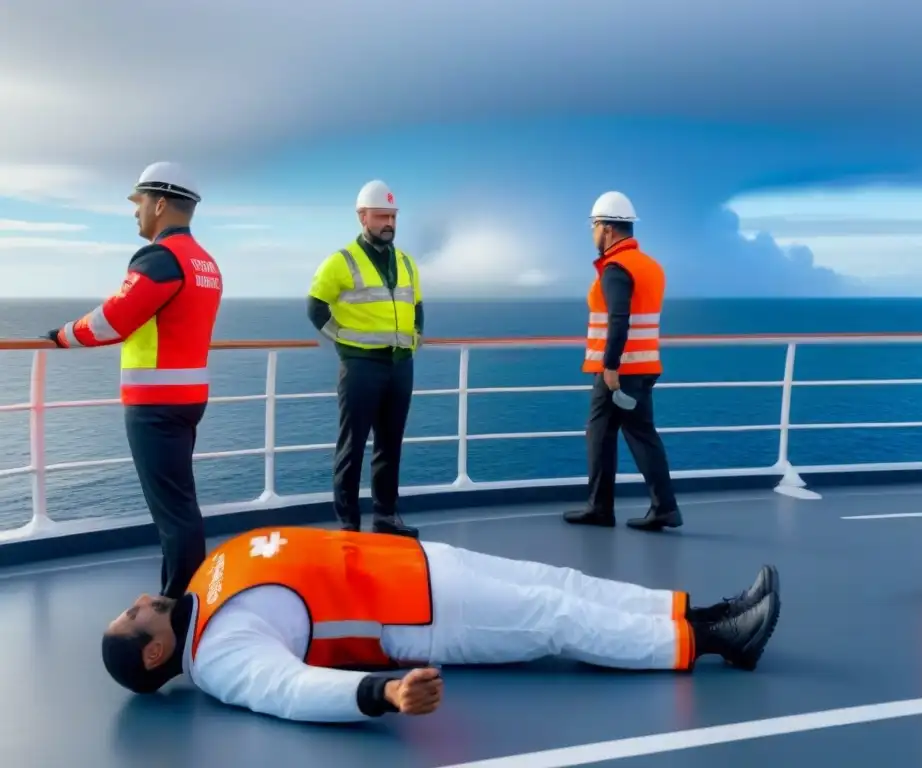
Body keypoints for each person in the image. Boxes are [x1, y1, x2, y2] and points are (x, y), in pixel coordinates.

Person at [100, 525, 781, 722]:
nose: (137, 599)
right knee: (556, 619)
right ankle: (719, 640)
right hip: (426, 615)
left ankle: (699, 611)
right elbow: (287, 690)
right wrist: (381, 692)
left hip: (421, 562)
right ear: (157, 654)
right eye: (134, 617)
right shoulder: (219, 656)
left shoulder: (199, 586)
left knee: (562, 584)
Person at [45, 162, 223, 599]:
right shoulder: (206, 262)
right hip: (187, 397)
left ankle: (182, 610)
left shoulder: (161, 258)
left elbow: (114, 319)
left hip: (156, 405)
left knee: (174, 513)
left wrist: (62, 336)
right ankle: (183, 598)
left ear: (160, 203)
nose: (136, 212)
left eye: (139, 202)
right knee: (180, 505)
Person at [306, 180, 423, 538]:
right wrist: (345, 341)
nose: (389, 222)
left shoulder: (405, 261)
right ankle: (348, 523)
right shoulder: (341, 262)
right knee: (352, 446)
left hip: (400, 365)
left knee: (390, 444)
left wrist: (415, 338)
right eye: (381, 216)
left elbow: (416, 306)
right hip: (361, 368)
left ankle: (386, 515)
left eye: (393, 216)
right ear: (362, 217)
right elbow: (316, 307)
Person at [564, 191, 683, 532]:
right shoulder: (651, 266)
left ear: (607, 229)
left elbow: (619, 319)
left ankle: (601, 509)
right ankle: (664, 507)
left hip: (619, 371)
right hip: (645, 366)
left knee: (600, 435)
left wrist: (611, 367)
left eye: (593, 227)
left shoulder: (616, 268)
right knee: (640, 436)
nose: (592, 234)